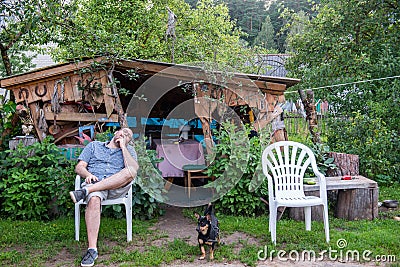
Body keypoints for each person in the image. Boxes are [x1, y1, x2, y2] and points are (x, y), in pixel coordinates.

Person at [69, 127, 139, 267]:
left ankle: (86, 191)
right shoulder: (94, 146)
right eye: (123, 132)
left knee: (131, 170)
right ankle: (92, 249)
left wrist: (124, 147)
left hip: (116, 187)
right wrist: (88, 175)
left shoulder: (129, 151)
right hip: (95, 181)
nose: (124, 135)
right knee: (94, 199)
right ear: (115, 132)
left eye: (128, 136)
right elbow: (79, 167)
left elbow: (133, 170)